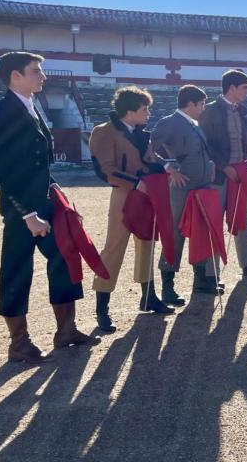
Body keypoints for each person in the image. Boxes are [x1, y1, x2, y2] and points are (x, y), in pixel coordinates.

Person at [0, 51, 99, 364]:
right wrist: (27, 214)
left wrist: (52, 187)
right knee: (16, 270)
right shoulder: (4, 113)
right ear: (15, 76)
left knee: (64, 256)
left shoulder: (28, 106)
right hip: (22, 210)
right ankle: (19, 344)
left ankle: (66, 330)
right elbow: (7, 171)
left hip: (43, 202)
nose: (43, 76)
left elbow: (36, 163)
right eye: (36, 71)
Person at [89, 86, 174, 334]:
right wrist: (137, 183)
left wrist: (167, 166)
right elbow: (105, 169)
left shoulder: (140, 133)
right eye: (144, 109)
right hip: (125, 194)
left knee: (146, 243)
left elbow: (150, 160)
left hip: (146, 194)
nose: (148, 113)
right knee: (115, 246)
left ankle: (149, 297)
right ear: (129, 111)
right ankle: (102, 309)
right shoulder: (104, 132)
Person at [199, 69, 247, 277]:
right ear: (232, 88)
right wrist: (223, 166)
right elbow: (204, 144)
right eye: (245, 88)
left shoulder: (241, 110)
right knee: (215, 220)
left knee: (241, 217)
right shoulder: (210, 111)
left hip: (238, 171)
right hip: (218, 175)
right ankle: (211, 273)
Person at [151, 85, 220, 296]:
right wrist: (168, 168)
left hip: (202, 185)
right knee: (175, 233)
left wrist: (210, 165)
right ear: (191, 104)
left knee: (201, 231)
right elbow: (148, 149)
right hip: (181, 187)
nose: (203, 108)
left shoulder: (195, 124)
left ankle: (200, 281)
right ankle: (168, 286)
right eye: (201, 104)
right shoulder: (169, 122)